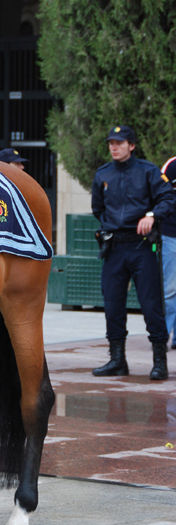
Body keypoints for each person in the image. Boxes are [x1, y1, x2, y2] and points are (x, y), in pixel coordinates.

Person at [91, 125, 175, 380]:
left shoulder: (148, 171)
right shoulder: (103, 174)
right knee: (112, 305)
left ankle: (159, 363)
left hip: (142, 248)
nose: (114, 147)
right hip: (115, 249)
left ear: (132, 145)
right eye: (111, 143)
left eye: (119, 143)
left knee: (151, 305)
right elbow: (98, 208)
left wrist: (152, 215)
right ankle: (117, 361)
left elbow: (168, 199)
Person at [160, 156, 176, 349]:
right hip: (171, 234)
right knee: (170, 289)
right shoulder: (171, 165)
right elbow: (159, 195)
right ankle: (162, 336)